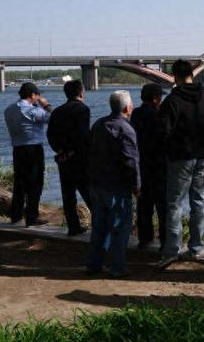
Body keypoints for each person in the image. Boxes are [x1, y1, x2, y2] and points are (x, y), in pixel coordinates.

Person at [157, 59, 204, 268]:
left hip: (180, 158)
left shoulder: (172, 101)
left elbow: (163, 132)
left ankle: (172, 250)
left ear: (175, 77)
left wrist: (168, 151)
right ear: (192, 74)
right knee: (198, 202)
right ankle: (196, 248)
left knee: (174, 204)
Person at [86, 90, 141, 278]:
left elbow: (89, 150)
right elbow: (131, 162)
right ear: (127, 108)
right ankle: (117, 267)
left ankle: (94, 264)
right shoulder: (127, 129)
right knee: (120, 228)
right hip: (117, 187)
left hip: (96, 184)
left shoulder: (99, 124)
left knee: (99, 227)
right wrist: (137, 186)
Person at [4, 82, 52, 227]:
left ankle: (16, 215)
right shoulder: (32, 110)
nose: (38, 98)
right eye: (37, 95)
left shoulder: (9, 109)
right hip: (33, 149)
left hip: (17, 149)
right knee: (35, 184)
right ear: (32, 95)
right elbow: (54, 118)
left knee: (19, 183)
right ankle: (31, 217)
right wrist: (45, 105)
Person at [47, 80, 92, 236]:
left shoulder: (57, 112)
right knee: (89, 193)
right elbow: (83, 136)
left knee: (68, 195)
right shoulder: (83, 109)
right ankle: (100, 225)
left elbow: (50, 135)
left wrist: (60, 150)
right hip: (80, 159)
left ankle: (73, 227)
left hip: (62, 158)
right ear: (81, 93)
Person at [131, 83, 167, 250]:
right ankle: (164, 241)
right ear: (155, 99)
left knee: (144, 205)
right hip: (159, 166)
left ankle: (145, 238)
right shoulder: (159, 115)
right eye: (160, 97)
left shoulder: (136, 114)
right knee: (162, 207)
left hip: (141, 165)